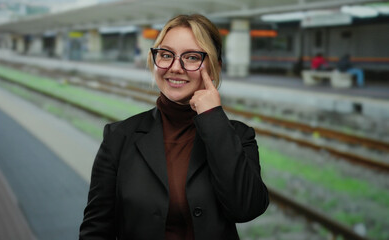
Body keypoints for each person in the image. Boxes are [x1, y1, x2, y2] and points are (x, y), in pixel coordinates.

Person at [79, 14, 269, 240]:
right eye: (166, 55)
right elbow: (96, 231)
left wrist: (213, 118)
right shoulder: (118, 137)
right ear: (154, 60)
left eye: (191, 57)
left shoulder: (238, 136)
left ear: (215, 67)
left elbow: (246, 208)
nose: (175, 67)